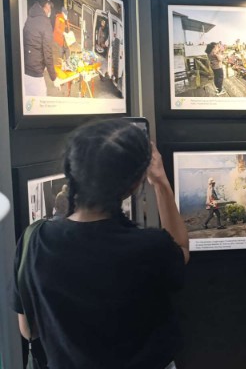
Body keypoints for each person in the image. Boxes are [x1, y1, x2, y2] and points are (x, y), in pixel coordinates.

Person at [13, 118, 189, 369]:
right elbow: (182, 249)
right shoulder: (150, 247)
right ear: (133, 183)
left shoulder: (35, 239)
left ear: (72, 170)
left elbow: (28, 329)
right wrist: (160, 182)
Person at [22, 0, 59, 97]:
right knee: (41, 107)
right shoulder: (45, 23)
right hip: (35, 75)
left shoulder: (29, 18)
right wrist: (54, 77)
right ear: (46, 5)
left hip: (24, 71)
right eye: (49, 6)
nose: (50, 9)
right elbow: (48, 53)